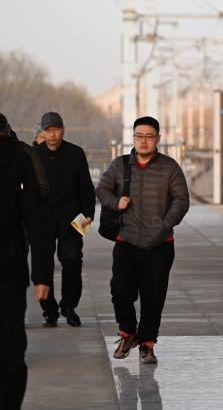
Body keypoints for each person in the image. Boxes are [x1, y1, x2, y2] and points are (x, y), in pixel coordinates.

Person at [95, 116, 190, 364]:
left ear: (158, 139)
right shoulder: (120, 165)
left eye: (149, 136)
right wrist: (116, 203)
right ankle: (128, 332)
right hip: (126, 240)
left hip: (160, 244)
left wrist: (165, 223)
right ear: (133, 137)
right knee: (120, 290)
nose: (144, 140)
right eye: (139, 136)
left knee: (153, 296)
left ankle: (147, 343)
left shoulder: (170, 167)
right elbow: (102, 189)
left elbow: (182, 199)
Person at [0, 116, 52, 409]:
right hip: (9, 267)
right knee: (10, 350)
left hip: (9, 266)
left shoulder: (20, 159)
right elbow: (36, 219)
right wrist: (41, 275)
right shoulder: (20, 159)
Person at [34, 111, 95, 328]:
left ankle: (69, 307)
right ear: (42, 131)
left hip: (72, 218)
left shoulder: (76, 153)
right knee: (42, 265)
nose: (52, 134)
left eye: (56, 129)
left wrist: (89, 214)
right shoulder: (33, 155)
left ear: (63, 129)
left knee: (71, 261)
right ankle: (49, 310)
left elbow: (86, 187)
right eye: (48, 130)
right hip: (41, 219)